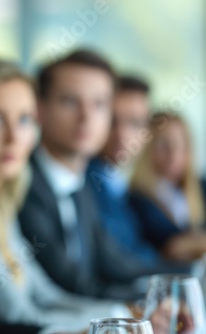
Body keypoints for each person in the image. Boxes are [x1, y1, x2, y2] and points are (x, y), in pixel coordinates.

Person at [0, 57, 132, 332]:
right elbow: (20, 317)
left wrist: (121, 314)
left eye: (24, 120)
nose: (14, 137)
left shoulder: (0, 206)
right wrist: (117, 320)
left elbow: (47, 296)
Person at [18, 50, 175, 300]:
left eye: (99, 104)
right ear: (40, 109)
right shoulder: (21, 184)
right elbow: (69, 283)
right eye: (70, 101)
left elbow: (116, 263)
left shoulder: (81, 187)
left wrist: (187, 275)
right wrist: (139, 302)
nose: (86, 117)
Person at [87, 76, 191, 269]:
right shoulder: (88, 181)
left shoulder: (118, 185)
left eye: (134, 123)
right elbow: (116, 261)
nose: (122, 134)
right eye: (112, 121)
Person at [129, 112, 206, 262]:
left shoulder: (201, 187)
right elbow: (170, 248)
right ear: (148, 148)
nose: (173, 154)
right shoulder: (137, 198)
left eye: (180, 144)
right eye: (164, 145)